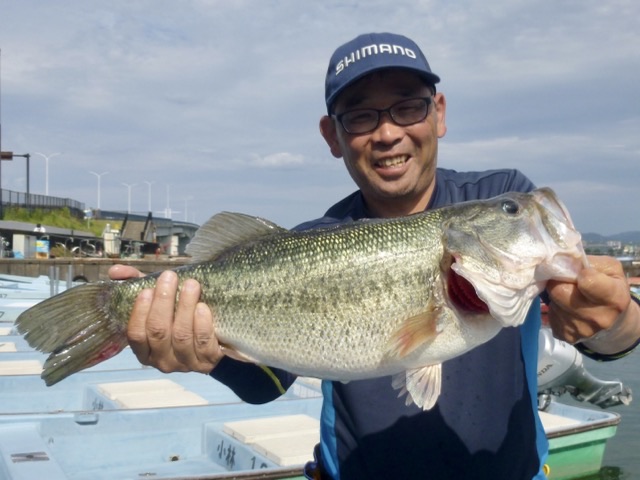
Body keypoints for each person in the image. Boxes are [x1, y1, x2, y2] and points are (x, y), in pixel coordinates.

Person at [110, 32, 640, 479]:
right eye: (361, 117)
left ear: (438, 114)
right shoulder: (312, 240)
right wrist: (197, 352)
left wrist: (613, 322)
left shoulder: (502, 192)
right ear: (332, 136)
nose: (388, 133)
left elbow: (611, 338)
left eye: (408, 107)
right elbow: (265, 384)